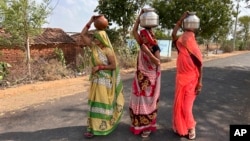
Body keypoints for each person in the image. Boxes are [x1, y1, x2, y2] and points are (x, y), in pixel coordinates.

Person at [80, 15, 125, 138]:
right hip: (96, 81)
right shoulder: (94, 47)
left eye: (96, 37)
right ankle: (92, 128)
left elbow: (113, 66)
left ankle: (104, 126)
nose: (94, 39)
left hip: (105, 82)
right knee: (94, 104)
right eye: (94, 37)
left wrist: (99, 67)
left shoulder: (107, 51)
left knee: (102, 104)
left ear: (102, 38)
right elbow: (83, 35)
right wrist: (90, 21)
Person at [129, 9, 161, 138]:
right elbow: (133, 31)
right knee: (137, 101)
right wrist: (139, 16)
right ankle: (138, 125)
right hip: (139, 77)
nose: (141, 38)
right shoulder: (142, 43)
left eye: (143, 36)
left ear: (148, 37)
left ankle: (147, 127)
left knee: (148, 103)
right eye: (141, 36)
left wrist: (147, 52)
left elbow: (158, 62)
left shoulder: (154, 47)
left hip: (150, 79)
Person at [171, 11, 203, 140]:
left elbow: (200, 66)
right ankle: (181, 127)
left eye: (187, 38)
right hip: (180, 80)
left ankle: (191, 127)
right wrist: (181, 20)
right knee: (179, 105)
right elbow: (173, 34)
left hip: (192, 81)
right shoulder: (180, 48)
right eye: (183, 37)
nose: (184, 39)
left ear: (192, 39)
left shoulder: (194, 50)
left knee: (186, 106)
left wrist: (200, 83)